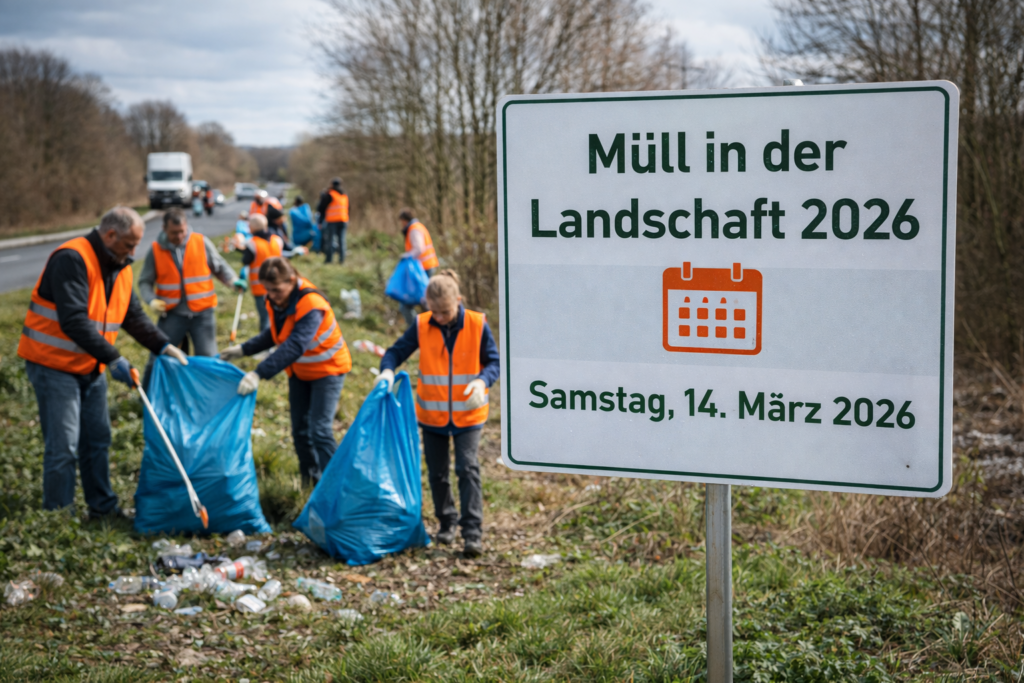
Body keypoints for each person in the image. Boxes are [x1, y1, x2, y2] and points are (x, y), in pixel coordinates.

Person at [18, 207, 189, 518]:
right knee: (64, 446)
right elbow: (74, 321)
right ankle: (59, 517)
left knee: (98, 439)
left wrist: (164, 346)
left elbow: (132, 316)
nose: (134, 251)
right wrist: (114, 358)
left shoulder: (121, 265)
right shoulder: (72, 259)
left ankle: (103, 508)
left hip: (90, 367)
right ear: (110, 235)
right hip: (54, 366)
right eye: (129, 244)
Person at [375, 271, 499, 557]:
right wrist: (386, 371)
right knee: (438, 471)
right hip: (433, 415)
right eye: (435, 311)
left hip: (469, 413)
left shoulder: (477, 324)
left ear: (458, 300)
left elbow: (494, 361)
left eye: (445, 312)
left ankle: (472, 533)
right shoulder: (421, 325)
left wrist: (482, 381)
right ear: (426, 304)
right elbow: (395, 352)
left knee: (466, 468)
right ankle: (447, 521)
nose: (440, 318)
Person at [220, 257, 351, 486]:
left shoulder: (311, 304)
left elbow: (295, 344)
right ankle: (311, 483)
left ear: (292, 281)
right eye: (267, 290)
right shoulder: (277, 301)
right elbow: (276, 334)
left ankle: (337, 487)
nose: (271, 295)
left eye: (276, 290)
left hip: (328, 370)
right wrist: (243, 349)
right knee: (300, 431)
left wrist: (258, 373)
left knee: (319, 430)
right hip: (301, 372)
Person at [138, 207, 244, 389]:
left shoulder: (201, 242)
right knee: (158, 355)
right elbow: (144, 282)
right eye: (173, 233)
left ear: (186, 227)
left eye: (182, 232)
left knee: (208, 357)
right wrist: (151, 300)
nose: (179, 236)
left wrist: (233, 281)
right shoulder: (155, 250)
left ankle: (209, 394)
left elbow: (219, 266)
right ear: (164, 228)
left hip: (202, 314)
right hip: (172, 314)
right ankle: (148, 395)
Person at [397, 208, 440, 328]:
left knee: (423, 301)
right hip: (426, 267)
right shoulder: (418, 226)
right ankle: (428, 327)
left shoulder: (414, 229)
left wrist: (405, 256)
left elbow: (419, 249)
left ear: (405, 220)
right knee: (425, 300)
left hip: (423, 269)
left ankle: (420, 329)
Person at [316, 178, 349, 264]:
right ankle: (342, 260)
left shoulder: (330, 195)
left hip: (332, 221)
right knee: (342, 241)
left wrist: (320, 220)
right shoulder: (344, 195)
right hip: (343, 220)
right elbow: (348, 208)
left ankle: (329, 260)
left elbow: (320, 208)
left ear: (332, 185)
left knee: (330, 241)